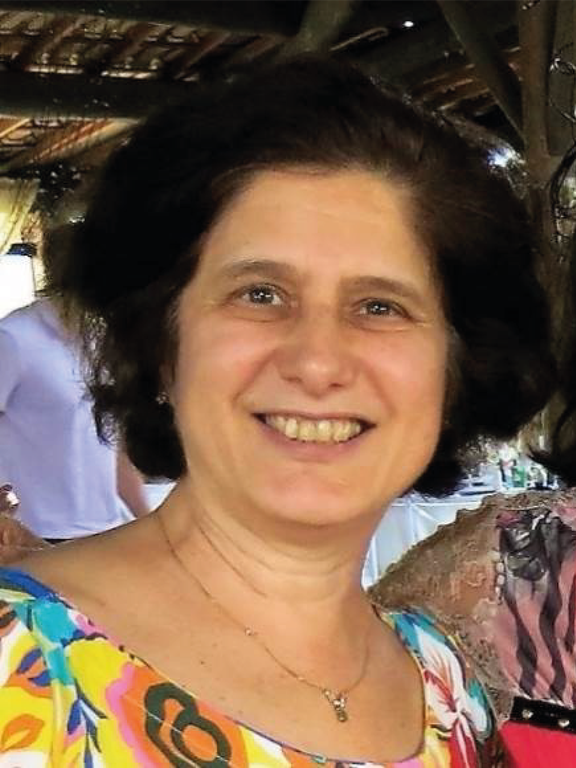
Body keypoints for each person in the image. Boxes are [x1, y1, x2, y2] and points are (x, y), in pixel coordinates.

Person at [0, 56, 554, 765]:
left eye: (380, 306)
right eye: (260, 293)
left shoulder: (446, 687)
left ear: (454, 371)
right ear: (162, 343)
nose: (317, 361)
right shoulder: (22, 668)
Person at [0, 288, 149, 541]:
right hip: (34, 538)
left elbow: (114, 445)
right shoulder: (13, 339)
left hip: (109, 531)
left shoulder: (104, 341)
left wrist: (147, 521)